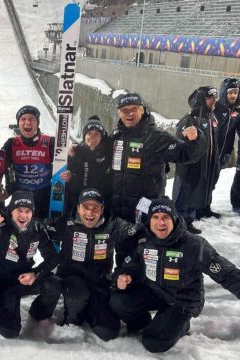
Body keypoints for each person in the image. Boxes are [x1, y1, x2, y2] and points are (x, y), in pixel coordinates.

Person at [111, 198, 240, 353]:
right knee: (118, 301)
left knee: (153, 343)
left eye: (166, 217)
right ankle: (144, 323)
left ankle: (182, 325)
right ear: (150, 220)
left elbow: (227, 274)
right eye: (156, 217)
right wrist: (122, 277)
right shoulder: (144, 240)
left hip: (182, 301)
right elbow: (129, 266)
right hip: (155, 292)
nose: (160, 223)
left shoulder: (194, 245)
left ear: (174, 219)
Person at [50, 188, 142, 341]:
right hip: (72, 279)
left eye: (95, 208)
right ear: (78, 208)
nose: (90, 213)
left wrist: (124, 270)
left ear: (102, 210)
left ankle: (89, 308)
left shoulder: (113, 225)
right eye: (85, 207)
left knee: (109, 332)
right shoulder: (67, 223)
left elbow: (140, 234)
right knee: (78, 296)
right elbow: (38, 229)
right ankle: (73, 318)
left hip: (99, 282)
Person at [110, 92, 205, 223]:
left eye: (134, 109)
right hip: (117, 212)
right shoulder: (116, 136)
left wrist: (196, 139)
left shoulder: (156, 138)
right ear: (119, 113)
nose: (129, 114)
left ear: (142, 110)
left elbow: (186, 153)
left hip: (145, 214)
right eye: (124, 110)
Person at [0, 190, 60, 338]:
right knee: (10, 332)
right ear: (11, 211)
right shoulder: (1, 224)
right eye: (19, 210)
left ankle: (38, 312)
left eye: (27, 211)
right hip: (3, 283)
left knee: (54, 283)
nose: (23, 215)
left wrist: (35, 273)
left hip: (26, 279)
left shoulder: (37, 228)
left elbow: (52, 257)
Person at [172, 86, 220, 234]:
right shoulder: (189, 119)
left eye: (215, 98)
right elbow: (179, 146)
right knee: (184, 196)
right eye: (210, 98)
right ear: (201, 100)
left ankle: (189, 220)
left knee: (195, 195)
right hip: (190, 168)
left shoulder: (211, 117)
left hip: (205, 165)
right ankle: (180, 224)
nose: (214, 101)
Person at [3, 105, 54, 219]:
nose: (27, 123)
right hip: (20, 197)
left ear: (37, 123)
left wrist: (74, 150)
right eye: (23, 119)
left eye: (32, 119)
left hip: (44, 197)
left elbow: (68, 160)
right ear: (18, 123)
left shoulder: (50, 142)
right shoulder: (11, 144)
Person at [62, 115, 112, 216]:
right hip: (79, 201)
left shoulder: (108, 153)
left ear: (102, 137)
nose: (92, 137)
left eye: (97, 134)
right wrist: (68, 176)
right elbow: (70, 174)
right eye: (89, 133)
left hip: (100, 202)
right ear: (84, 136)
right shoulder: (76, 152)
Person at [214, 78, 240, 213]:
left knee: (213, 182)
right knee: (205, 182)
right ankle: (197, 209)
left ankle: (205, 207)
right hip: (210, 152)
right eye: (230, 92)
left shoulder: (236, 111)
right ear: (224, 92)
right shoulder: (216, 108)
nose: (233, 95)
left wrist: (228, 153)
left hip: (223, 153)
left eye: (236, 92)